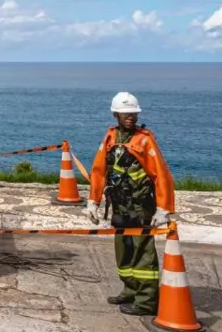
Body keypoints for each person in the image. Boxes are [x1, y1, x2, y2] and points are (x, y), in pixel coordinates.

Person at [85, 91, 177, 317]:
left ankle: (146, 301)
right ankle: (130, 290)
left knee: (143, 254)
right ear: (116, 114)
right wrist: (92, 202)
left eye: (133, 114)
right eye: (126, 113)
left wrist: (163, 208)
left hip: (141, 208)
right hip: (120, 207)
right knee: (123, 252)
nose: (131, 117)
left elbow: (161, 175)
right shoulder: (110, 138)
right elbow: (98, 172)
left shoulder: (144, 140)